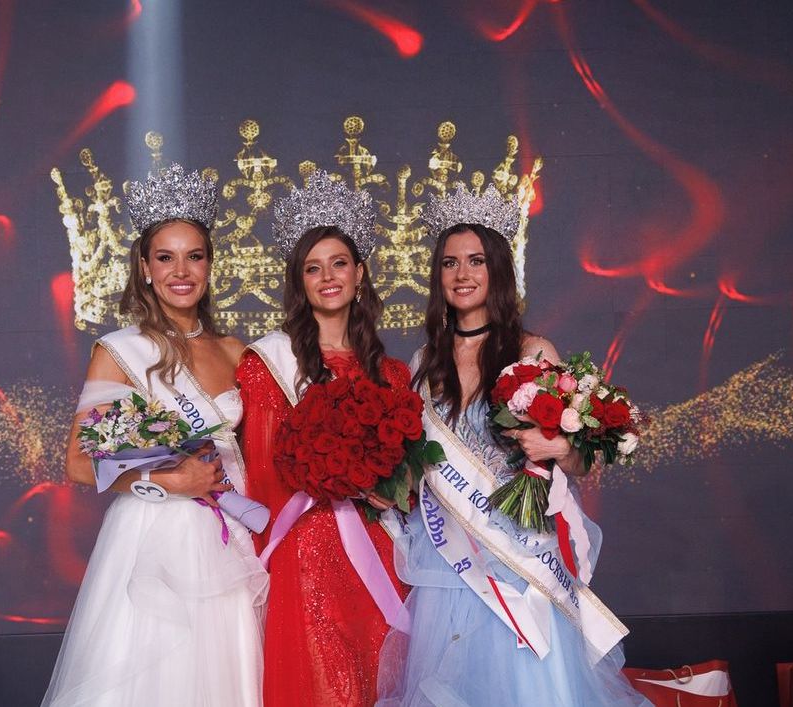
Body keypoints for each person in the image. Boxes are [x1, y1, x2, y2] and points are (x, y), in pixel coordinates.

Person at [376, 185, 651, 706]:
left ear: (497, 269)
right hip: (449, 556)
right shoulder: (423, 362)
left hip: (518, 553)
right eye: (450, 263)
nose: (462, 274)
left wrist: (555, 448)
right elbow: (420, 467)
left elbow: (579, 460)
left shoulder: (532, 351)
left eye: (476, 261)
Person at [42, 164, 267, 707]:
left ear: (210, 264)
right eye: (165, 257)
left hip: (226, 539)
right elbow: (78, 464)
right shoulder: (120, 351)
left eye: (195, 256)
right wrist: (171, 482)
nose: (181, 271)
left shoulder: (237, 352)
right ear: (145, 267)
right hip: (151, 538)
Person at [237, 171, 411, 706]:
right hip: (306, 544)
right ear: (300, 282)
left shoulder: (392, 374)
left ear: (360, 273)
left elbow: (411, 473)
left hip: (379, 541)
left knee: (379, 665)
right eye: (313, 268)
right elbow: (263, 472)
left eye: (339, 263)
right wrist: (329, 480)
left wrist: (389, 489)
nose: (328, 277)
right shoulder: (267, 366)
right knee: (322, 676)